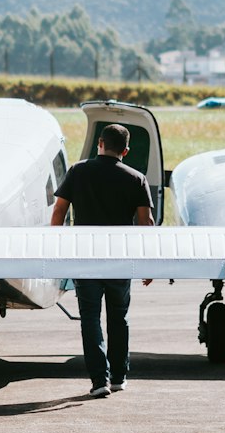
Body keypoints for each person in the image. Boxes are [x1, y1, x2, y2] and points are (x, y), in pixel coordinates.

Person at [50, 123, 155, 398]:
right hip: (119, 259)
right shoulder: (136, 179)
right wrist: (148, 263)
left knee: (90, 319)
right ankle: (119, 377)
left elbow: (59, 211)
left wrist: (55, 247)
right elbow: (146, 222)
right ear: (126, 150)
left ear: (99, 143)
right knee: (119, 317)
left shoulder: (77, 171)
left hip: (85, 258)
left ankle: (99, 380)